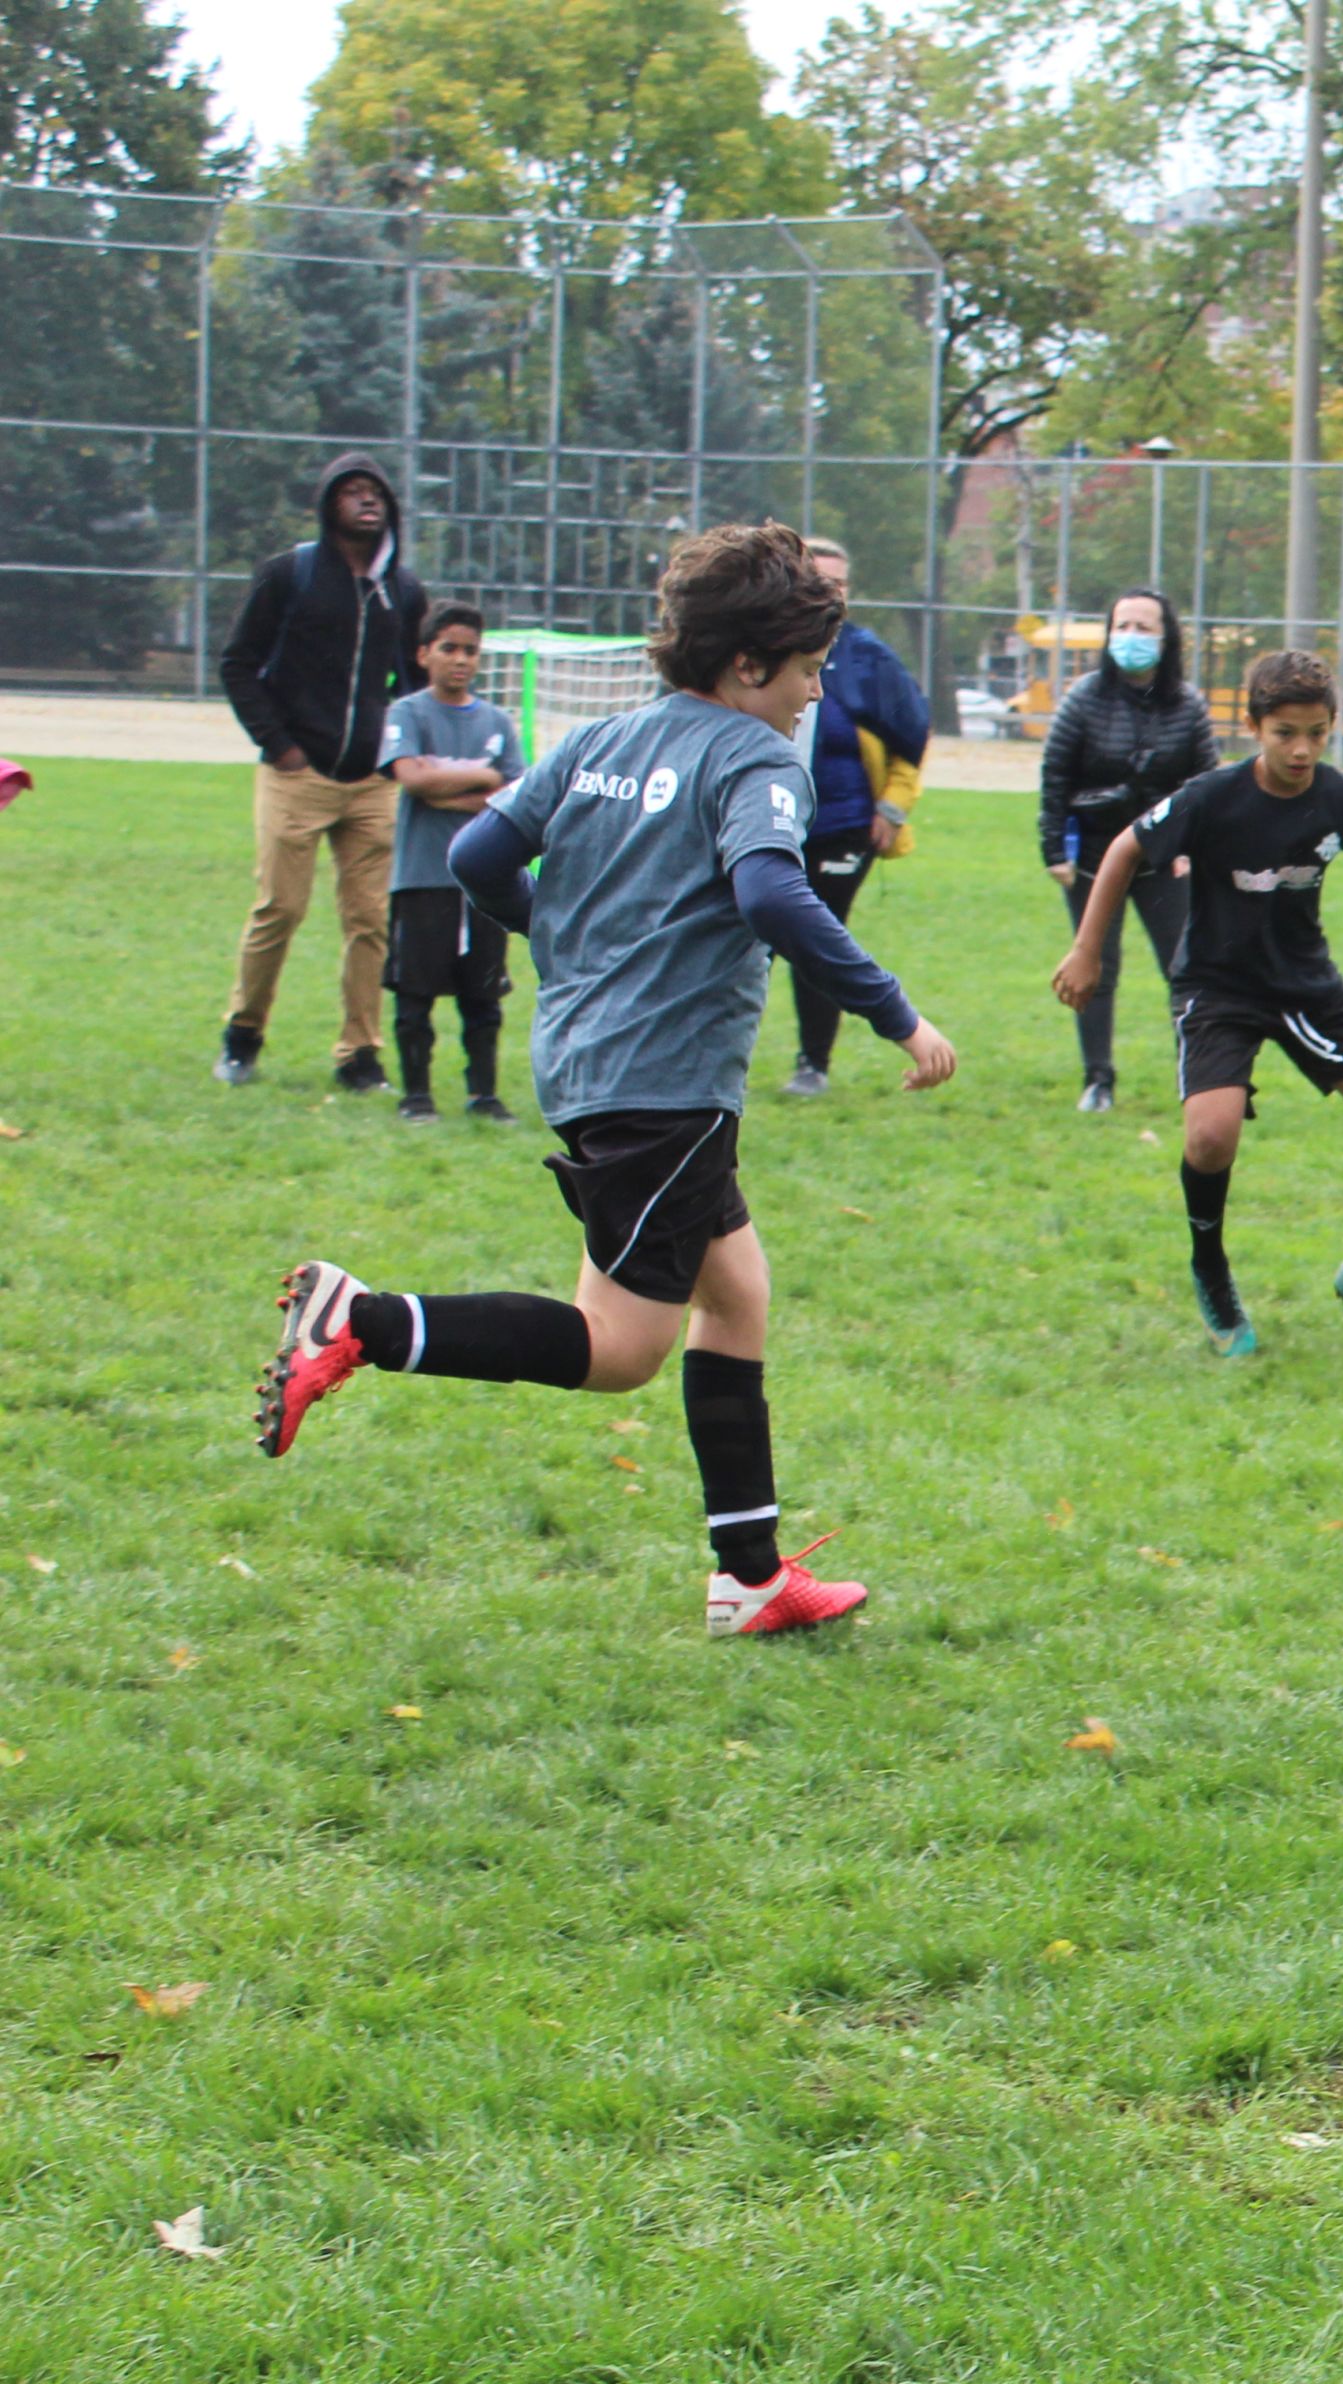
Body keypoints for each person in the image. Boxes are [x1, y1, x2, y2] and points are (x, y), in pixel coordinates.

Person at [251, 522, 961, 1638]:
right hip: (665, 1088)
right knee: (622, 1349)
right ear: (745, 666)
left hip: (597, 1063)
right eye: (808, 672)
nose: (815, 695)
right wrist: (895, 1013)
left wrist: (565, 941)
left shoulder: (599, 739)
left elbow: (485, 857)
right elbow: (776, 898)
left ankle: (750, 1577)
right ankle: (364, 1321)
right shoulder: (752, 756)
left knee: (737, 1296)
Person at [1052, 651, 1343, 1359]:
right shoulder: (1211, 797)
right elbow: (1120, 853)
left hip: (1305, 983)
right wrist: (1086, 950)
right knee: (1210, 1136)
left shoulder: (1342, 799)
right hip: (1216, 987)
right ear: (1254, 726)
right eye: (1285, 732)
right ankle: (1212, 1273)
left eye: (1317, 733)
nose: (1301, 749)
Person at [217, 451, 429, 1089]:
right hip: (296, 775)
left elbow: (415, 685)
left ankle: (359, 1056)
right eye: (353, 492)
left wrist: (397, 754)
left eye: (376, 493)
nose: (367, 501)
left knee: (369, 922)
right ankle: (242, 1036)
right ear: (329, 504)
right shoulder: (292, 573)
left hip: (372, 785)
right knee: (280, 907)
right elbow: (238, 664)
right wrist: (280, 746)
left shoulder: (403, 590)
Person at [1035, 587, 1219, 1111]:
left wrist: (1195, 848)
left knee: (1186, 968)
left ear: (1167, 638)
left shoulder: (1187, 705)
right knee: (1094, 965)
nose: (1131, 638)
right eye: (1123, 627)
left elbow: (1206, 782)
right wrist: (1054, 849)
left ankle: (1200, 1079)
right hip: (1094, 857)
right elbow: (1055, 776)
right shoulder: (1083, 698)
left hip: (1166, 861)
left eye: (1144, 628)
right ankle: (1098, 1079)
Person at [780, 536, 931, 1097]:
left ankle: (811, 1065)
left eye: (839, 584)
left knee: (816, 938)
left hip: (841, 827)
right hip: (767, 823)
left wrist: (891, 809)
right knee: (748, 939)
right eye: (818, 581)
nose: (830, 593)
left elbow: (913, 733)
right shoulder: (764, 652)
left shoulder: (867, 657)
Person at [380, 601, 526, 1123]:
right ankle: (416, 1094)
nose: (460, 660)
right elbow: (412, 780)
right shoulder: (408, 713)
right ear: (424, 655)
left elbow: (512, 793)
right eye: (449, 649)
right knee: (414, 992)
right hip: (421, 876)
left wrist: (460, 788)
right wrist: (481, 778)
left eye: (470, 650)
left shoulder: (496, 721)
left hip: (484, 883)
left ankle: (483, 1093)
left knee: (483, 994)